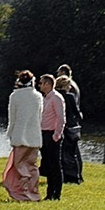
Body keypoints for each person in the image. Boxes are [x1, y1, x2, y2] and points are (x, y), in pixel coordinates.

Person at [3, 70, 43, 201]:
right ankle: (33, 192)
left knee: (19, 166)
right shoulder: (38, 96)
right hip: (35, 135)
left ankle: (21, 192)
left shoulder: (15, 96)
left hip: (20, 135)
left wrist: (10, 133)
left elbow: (12, 117)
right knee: (32, 165)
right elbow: (39, 116)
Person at [37, 71, 66, 200]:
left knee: (55, 165)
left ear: (48, 84)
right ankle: (50, 193)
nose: (40, 86)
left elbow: (61, 118)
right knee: (48, 164)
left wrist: (56, 135)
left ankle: (57, 193)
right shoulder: (45, 98)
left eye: (42, 83)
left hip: (52, 135)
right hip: (44, 134)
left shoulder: (56, 98)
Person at [55, 73, 83, 184]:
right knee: (73, 153)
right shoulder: (70, 97)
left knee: (61, 153)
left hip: (59, 127)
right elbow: (77, 113)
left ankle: (64, 175)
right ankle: (75, 176)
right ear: (65, 85)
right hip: (71, 127)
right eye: (68, 85)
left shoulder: (55, 96)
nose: (70, 87)